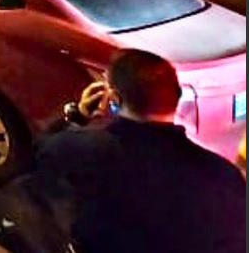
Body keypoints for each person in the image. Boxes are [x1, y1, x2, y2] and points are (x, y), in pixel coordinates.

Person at [18, 49, 246, 253]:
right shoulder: (224, 175)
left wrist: (77, 115)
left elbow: (37, 163)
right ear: (177, 96)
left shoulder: (80, 154)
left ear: (115, 99)